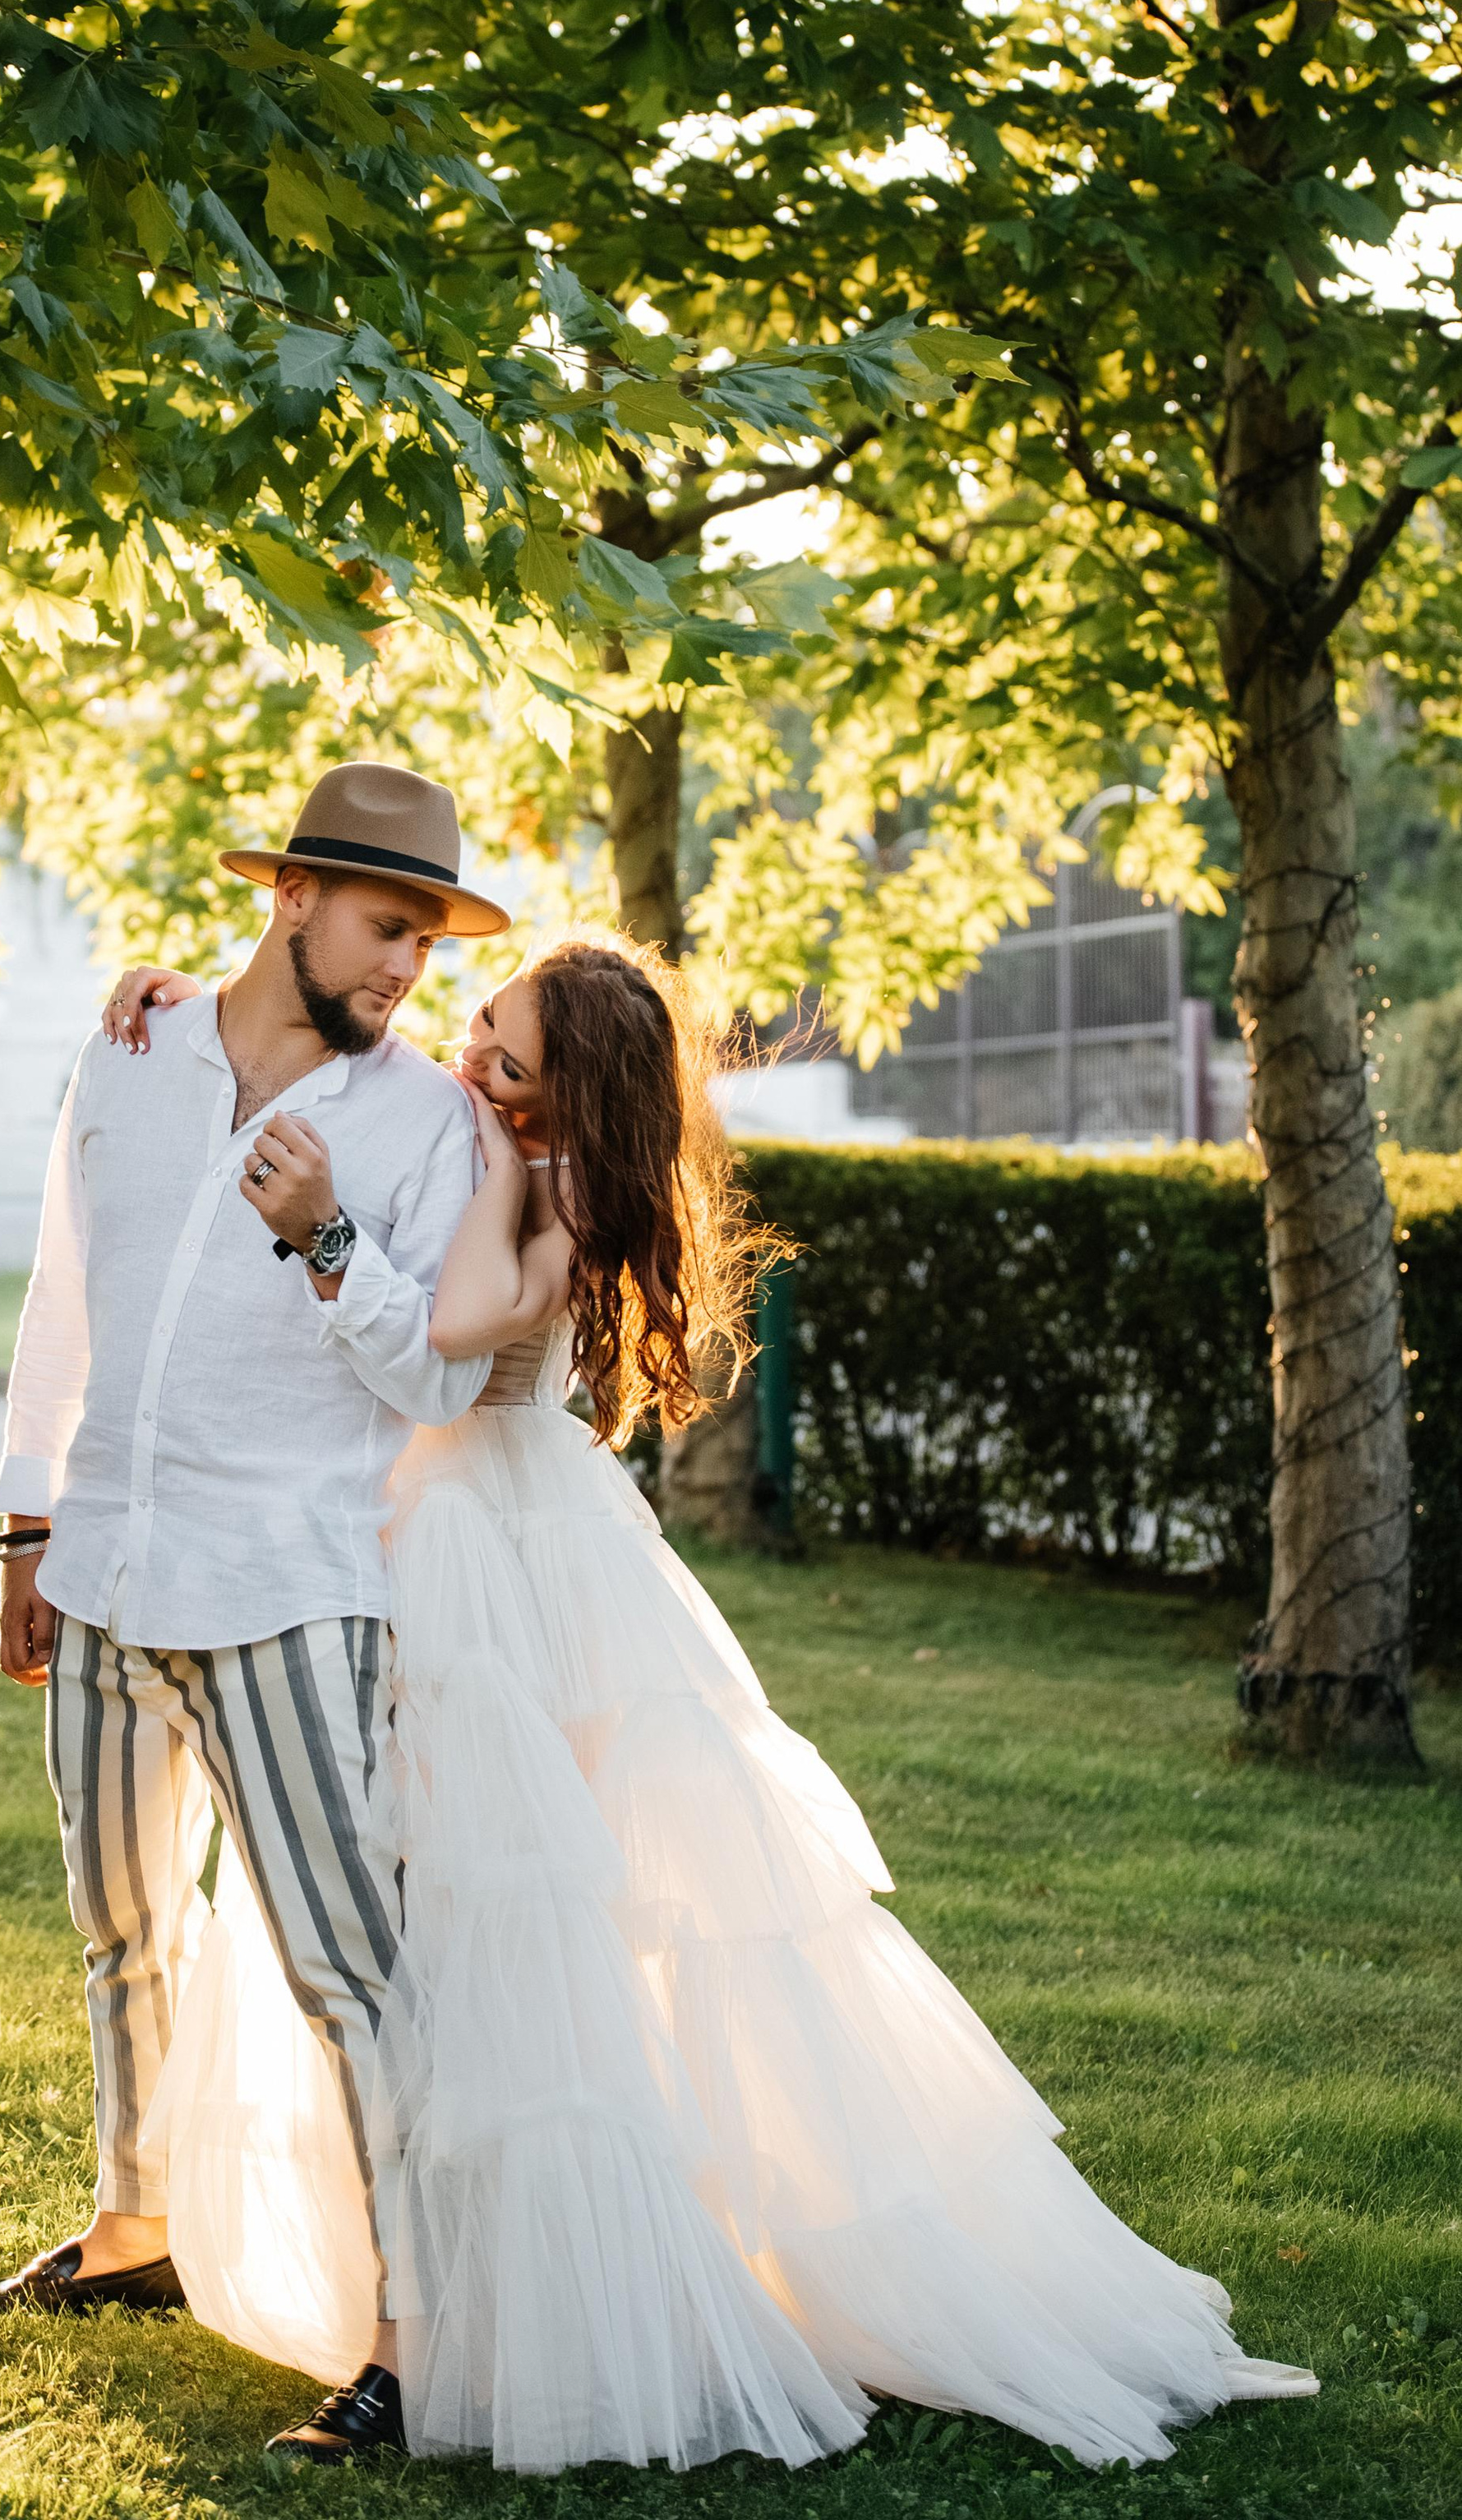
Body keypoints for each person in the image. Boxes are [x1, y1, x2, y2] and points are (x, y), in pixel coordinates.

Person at [100, 931, 1320, 2475]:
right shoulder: (498, 1137)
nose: (473, 1061)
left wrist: (450, 1170)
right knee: (397, 1910)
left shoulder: (553, 1193)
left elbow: (461, 1326)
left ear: (569, 1100)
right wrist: (170, 992)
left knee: (517, 1914)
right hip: (418, 1531)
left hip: (498, 1561)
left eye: (510, 1059)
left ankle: (525, 2304)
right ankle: (426, 2282)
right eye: (481, 1029)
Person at [0, 762, 511, 2466]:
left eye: (423, 936)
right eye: (383, 926)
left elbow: (433, 1372)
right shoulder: (131, 1046)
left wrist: (326, 1230)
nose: (405, 965)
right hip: (108, 1563)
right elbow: (67, 1291)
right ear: (290, 898)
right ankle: (134, 2229)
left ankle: (413, 2342)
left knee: (351, 1969)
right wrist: (26, 1517)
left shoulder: (429, 1124)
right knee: (120, 1928)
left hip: (291, 1586)